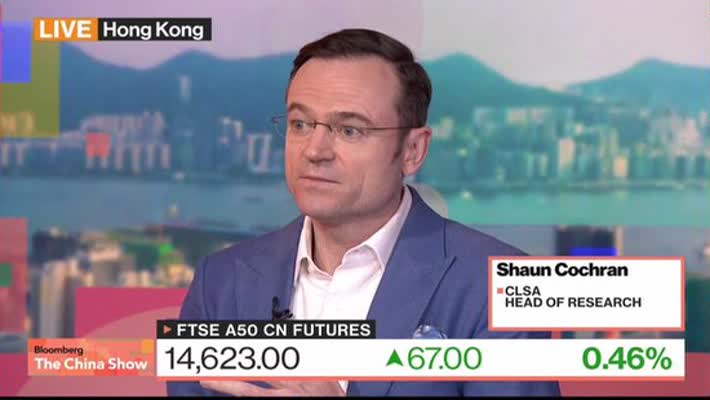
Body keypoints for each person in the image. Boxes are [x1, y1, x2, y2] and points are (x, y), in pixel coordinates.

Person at [167, 28, 560, 397]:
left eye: (350, 130)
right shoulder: (221, 282)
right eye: (300, 124)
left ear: (412, 151)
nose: (314, 150)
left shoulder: (494, 288)